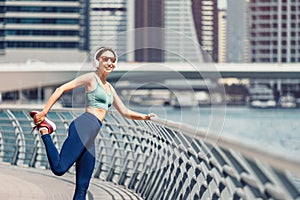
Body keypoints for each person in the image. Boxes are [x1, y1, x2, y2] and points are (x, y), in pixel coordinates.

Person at [30, 47, 156, 200]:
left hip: (91, 133)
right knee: (59, 168)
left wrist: (146, 117)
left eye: (112, 60)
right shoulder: (91, 78)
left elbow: (124, 112)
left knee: (83, 186)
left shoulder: (109, 88)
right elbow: (61, 88)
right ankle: (45, 131)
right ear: (98, 62)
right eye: (105, 59)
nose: (109, 62)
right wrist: (44, 112)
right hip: (84, 125)